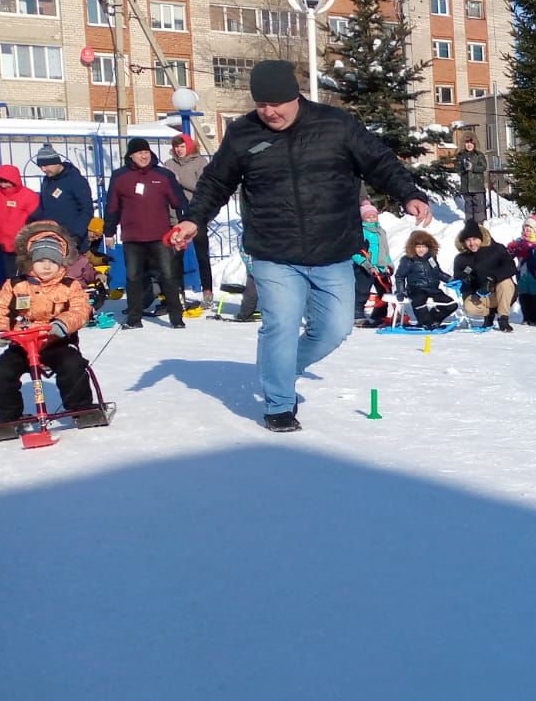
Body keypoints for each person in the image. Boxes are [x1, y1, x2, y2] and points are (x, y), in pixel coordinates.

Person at [170, 60, 431, 431]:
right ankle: (279, 402)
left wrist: (408, 193)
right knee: (280, 324)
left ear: (296, 96)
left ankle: (283, 366)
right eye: (262, 105)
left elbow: (379, 161)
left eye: (277, 103)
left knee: (335, 328)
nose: (270, 112)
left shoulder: (335, 124)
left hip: (333, 248)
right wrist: (194, 219)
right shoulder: (244, 133)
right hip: (273, 250)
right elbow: (215, 182)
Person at [0, 221, 105, 438]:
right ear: (30, 262)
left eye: (52, 262)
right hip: (22, 343)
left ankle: (81, 408)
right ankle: (9, 416)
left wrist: (63, 325)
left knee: (72, 365)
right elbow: (0, 308)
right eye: (41, 261)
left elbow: (80, 308)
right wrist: (2, 330)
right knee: (2, 372)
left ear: (62, 263)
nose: (46, 266)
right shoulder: (15, 284)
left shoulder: (69, 285)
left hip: (55, 341)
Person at [102, 137, 187, 329]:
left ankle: (177, 318)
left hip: (160, 236)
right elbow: (112, 206)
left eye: (147, 152)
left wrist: (184, 225)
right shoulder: (120, 177)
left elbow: (179, 201)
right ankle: (134, 319)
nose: (144, 156)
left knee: (168, 276)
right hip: (132, 238)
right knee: (133, 278)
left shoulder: (163, 175)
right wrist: (109, 231)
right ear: (131, 155)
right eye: (140, 153)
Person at [165, 132, 215, 306]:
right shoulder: (169, 164)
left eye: (182, 146)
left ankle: (207, 291)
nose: (179, 150)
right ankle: (179, 295)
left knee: (202, 255)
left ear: (189, 146)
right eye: (176, 147)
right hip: (176, 216)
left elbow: (204, 188)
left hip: (196, 216)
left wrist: (178, 181)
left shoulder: (200, 162)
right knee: (176, 257)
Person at [452, 219, 517, 332]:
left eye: (475, 239)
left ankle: (503, 318)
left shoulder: (497, 249)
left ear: (481, 238)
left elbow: (510, 267)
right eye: (468, 240)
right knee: (469, 306)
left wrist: (492, 279)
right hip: (480, 296)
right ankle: (489, 314)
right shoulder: (461, 258)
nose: (472, 243)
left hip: (499, 292)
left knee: (506, 283)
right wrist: (465, 278)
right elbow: (458, 275)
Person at [32, 143, 93, 252]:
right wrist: (31, 222)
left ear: (56, 162)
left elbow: (86, 210)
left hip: (72, 240)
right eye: (40, 166)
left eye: (46, 165)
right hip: (51, 238)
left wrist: (77, 235)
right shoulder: (46, 181)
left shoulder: (75, 180)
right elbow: (43, 206)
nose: (43, 169)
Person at [392, 230, 456, 328]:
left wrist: (451, 280)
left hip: (432, 289)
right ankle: (426, 322)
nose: (421, 250)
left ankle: (433, 320)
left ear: (429, 247)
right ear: (412, 247)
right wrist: (401, 291)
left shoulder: (431, 258)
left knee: (451, 304)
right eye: (418, 247)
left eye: (424, 247)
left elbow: (438, 272)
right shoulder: (408, 260)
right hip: (416, 288)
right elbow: (399, 276)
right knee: (419, 301)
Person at [0, 163, 40, 286]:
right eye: (0, 181)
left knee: (18, 278)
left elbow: (36, 221)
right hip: (0, 244)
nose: (3, 185)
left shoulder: (29, 196)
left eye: (6, 181)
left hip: (21, 245)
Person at [352, 201, 392, 328]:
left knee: (385, 291)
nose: (371, 219)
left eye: (373, 216)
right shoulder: (361, 232)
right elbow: (355, 251)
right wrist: (365, 263)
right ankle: (357, 314)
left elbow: (385, 250)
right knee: (362, 290)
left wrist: (389, 263)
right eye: (368, 217)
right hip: (365, 266)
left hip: (380, 266)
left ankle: (379, 315)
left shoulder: (381, 231)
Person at [508, 216, 536, 326]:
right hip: (522, 275)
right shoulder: (519, 242)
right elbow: (509, 255)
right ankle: (527, 316)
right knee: (524, 295)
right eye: (525, 227)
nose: (527, 230)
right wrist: (511, 250)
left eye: (530, 228)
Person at [454, 135, 490, 221]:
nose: (469, 145)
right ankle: (469, 224)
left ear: (474, 144)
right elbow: (457, 168)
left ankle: (479, 224)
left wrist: (472, 167)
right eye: (467, 143)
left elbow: (483, 167)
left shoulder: (479, 155)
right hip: (466, 187)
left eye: (471, 143)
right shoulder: (461, 156)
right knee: (468, 206)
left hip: (477, 186)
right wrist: (464, 168)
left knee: (478, 206)